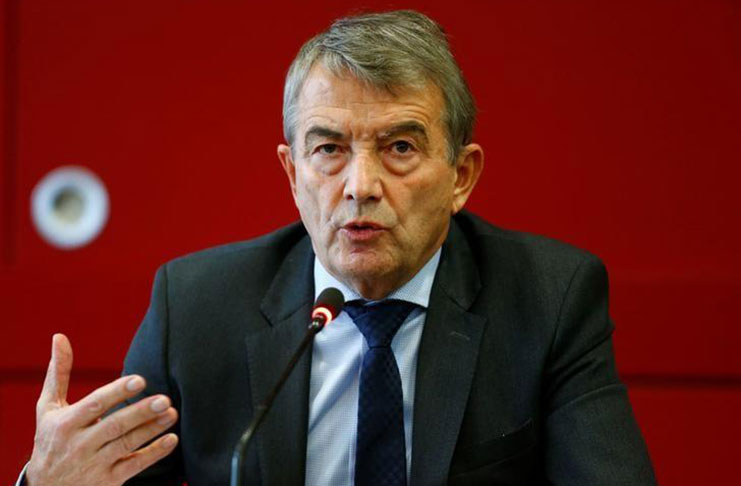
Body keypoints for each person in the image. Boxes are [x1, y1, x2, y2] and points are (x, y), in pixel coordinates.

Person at [20, 10, 656, 486]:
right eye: (328, 149)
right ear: (292, 173)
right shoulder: (196, 308)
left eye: (399, 148)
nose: (360, 187)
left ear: (461, 176)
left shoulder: (548, 299)